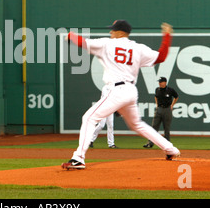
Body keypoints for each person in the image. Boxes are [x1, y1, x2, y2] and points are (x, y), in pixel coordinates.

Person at [61, 20, 180, 170]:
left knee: (89, 118)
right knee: (137, 124)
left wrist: (70, 35)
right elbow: (161, 57)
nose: (110, 32)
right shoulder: (138, 48)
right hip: (130, 91)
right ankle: (171, 149)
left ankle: (78, 158)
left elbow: (82, 42)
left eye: (113, 30)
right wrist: (167, 36)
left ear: (121, 32)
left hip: (117, 90)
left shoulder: (107, 44)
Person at [143, 77, 179, 148]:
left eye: (161, 82)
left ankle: (167, 144)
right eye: (159, 82)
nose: (159, 83)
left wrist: (172, 105)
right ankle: (150, 143)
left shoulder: (170, 90)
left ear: (165, 82)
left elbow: (176, 96)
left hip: (167, 109)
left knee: (166, 128)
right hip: (159, 109)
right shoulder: (157, 89)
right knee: (154, 127)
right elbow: (156, 97)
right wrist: (157, 105)